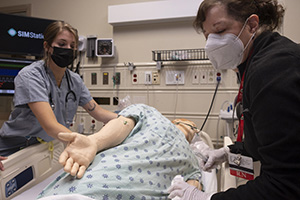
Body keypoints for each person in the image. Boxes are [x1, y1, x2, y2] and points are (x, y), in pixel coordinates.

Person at [168, 0, 300, 199]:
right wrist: (227, 153)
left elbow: (284, 184)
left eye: (220, 31)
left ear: (252, 25)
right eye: (207, 37)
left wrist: (205, 198)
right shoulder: (257, 63)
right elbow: (271, 141)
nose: (212, 44)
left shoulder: (274, 70)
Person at [0, 21, 117, 168]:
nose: (68, 49)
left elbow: (99, 113)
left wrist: (126, 118)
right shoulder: (31, 76)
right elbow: (50, 125)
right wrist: (85, 143)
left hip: (42, 148)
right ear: (47, 47)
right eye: (62, 44)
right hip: (12, 150)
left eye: (72, 46)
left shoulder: (74, 80)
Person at [37, 104, 202, 199]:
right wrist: (95, 141)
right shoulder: (150, 115)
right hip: (82, 186)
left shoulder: (194, 164)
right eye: (189, 124)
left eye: (194, 128)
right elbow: (124, 123)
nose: (191, 128)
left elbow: (189, 193)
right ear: (175, 121)